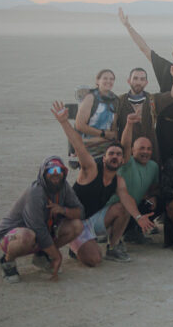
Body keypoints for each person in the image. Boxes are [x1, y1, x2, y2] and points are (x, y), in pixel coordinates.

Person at [119, 9, 173, 162]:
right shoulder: (165, 67)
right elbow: (144, 49)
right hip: (164, 124)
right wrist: (128, 26)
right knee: (161, 161)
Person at [53, 101, 125, 266]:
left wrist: (139, 217)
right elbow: (79, 147)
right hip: (72, 221)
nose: (115, 156)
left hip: (91, 220)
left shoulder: (118, 179)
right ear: (104, 157)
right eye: (111, 153)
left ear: (122, 160)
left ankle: (112, 247)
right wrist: (64, 122)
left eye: (118, 155)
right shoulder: (91, 169)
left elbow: (126, 198)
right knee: (94, 260)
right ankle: (69, 245)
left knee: (122, 208)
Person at [0, 156, 83, 283]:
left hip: (40, 234)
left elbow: (80, 211)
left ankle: (42, 256)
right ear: (43, 173)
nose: (55, 174)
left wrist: (63, 210)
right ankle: (7, 262)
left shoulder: (63, 187)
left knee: (77, 225)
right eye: (51, 170)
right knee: (27, 236)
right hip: (11, 236)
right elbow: (37, 228)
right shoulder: (36, 192)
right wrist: (56, 256)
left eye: (59, 170)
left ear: (64, 172)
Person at [114, 65, 173, 162]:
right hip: (127, 155)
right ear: (129, 81)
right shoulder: (118, 101)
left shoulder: (153, 100)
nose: (138, 82)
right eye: (135, 78)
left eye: (142, 79)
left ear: (146, 83)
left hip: (150, 153)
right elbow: (112, 127)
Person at [104, 133, 160, 247]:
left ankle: (133, 232)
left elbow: (154, 187)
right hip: (114, 211)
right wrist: (129, 124)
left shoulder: (154, 166)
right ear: (133, 150)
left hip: (134, 211)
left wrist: (152, 196)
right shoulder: (127, 163)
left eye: (149, 149)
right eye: (142, 148)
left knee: (161, 199)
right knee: (122, 207)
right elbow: (125, 145)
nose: (145, 152)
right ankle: (111, 239)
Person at [74, 69, 119, 160]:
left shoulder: (115, 100)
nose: (108, 81)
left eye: (111, 79)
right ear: (97, 81)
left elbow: (113, 128)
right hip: (88, 150)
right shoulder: (90, 97)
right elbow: (79, 125)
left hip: (106, 151)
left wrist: (113, 136)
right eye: (105, 78)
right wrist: (103, 134)